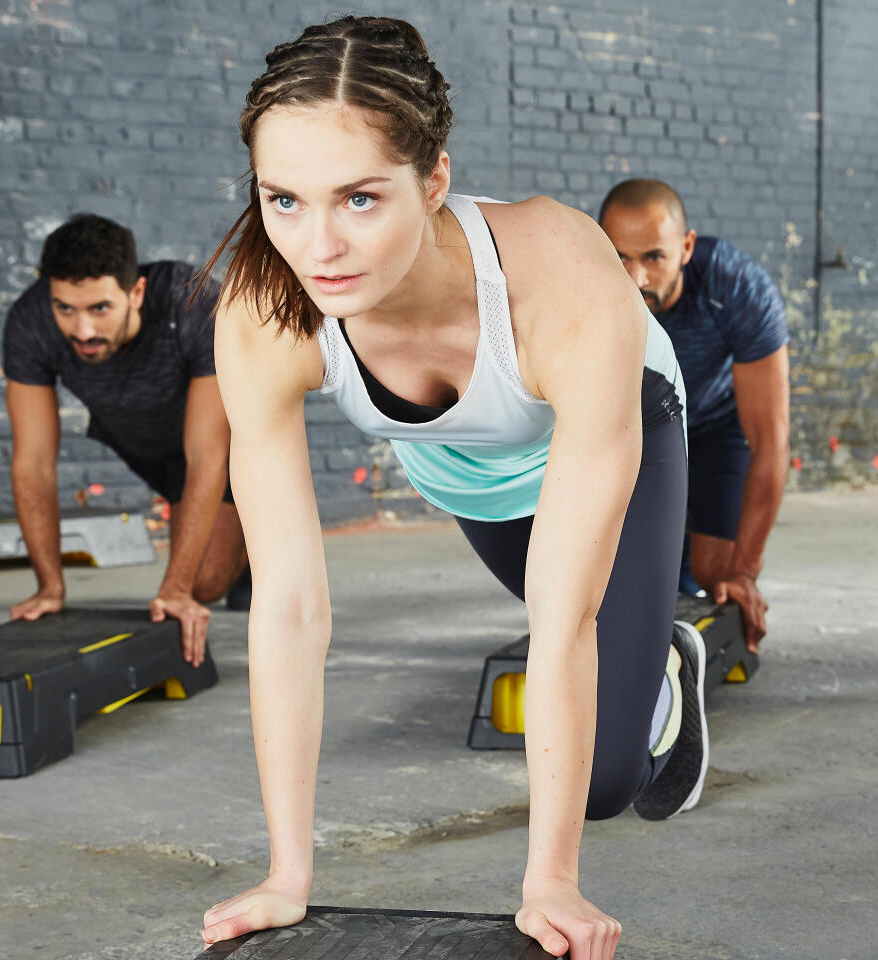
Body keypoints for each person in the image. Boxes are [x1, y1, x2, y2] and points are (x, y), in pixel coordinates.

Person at [194, 17, 703, 960]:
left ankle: (663, 650)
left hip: (619, 421)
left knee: (602, 775)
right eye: (285, 200)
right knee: (581, 649)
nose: (320, 246)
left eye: (358, 198)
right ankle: (651, 637)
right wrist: (286, 874)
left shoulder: (561, 280)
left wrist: (551, 880)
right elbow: (292, 608)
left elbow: (560, 622)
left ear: (432, 182)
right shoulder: (265, 312)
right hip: (466, 468)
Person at [1, 214, 248, 667]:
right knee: (193, 564)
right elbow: (32, 463)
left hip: (224, 447)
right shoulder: (31, 321)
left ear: (135, 293)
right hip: (140, 441)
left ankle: (252, 544)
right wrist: (50, 586)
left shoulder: (189, 301)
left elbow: (205, 455)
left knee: (202, 584)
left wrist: (175, 588)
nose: (83, 331)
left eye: (99, 309)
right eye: (65, 309)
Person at [598, 179, 789, 652]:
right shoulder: (587, 284)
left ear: (686, 248)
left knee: (717, 574)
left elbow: (771, 441)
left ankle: (691, 566)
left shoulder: (738, 288)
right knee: (622, 573)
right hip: (637, 423)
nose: (636, 277)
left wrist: (745, 572)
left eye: (653, 258)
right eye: (620, 256)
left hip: (714, 424)